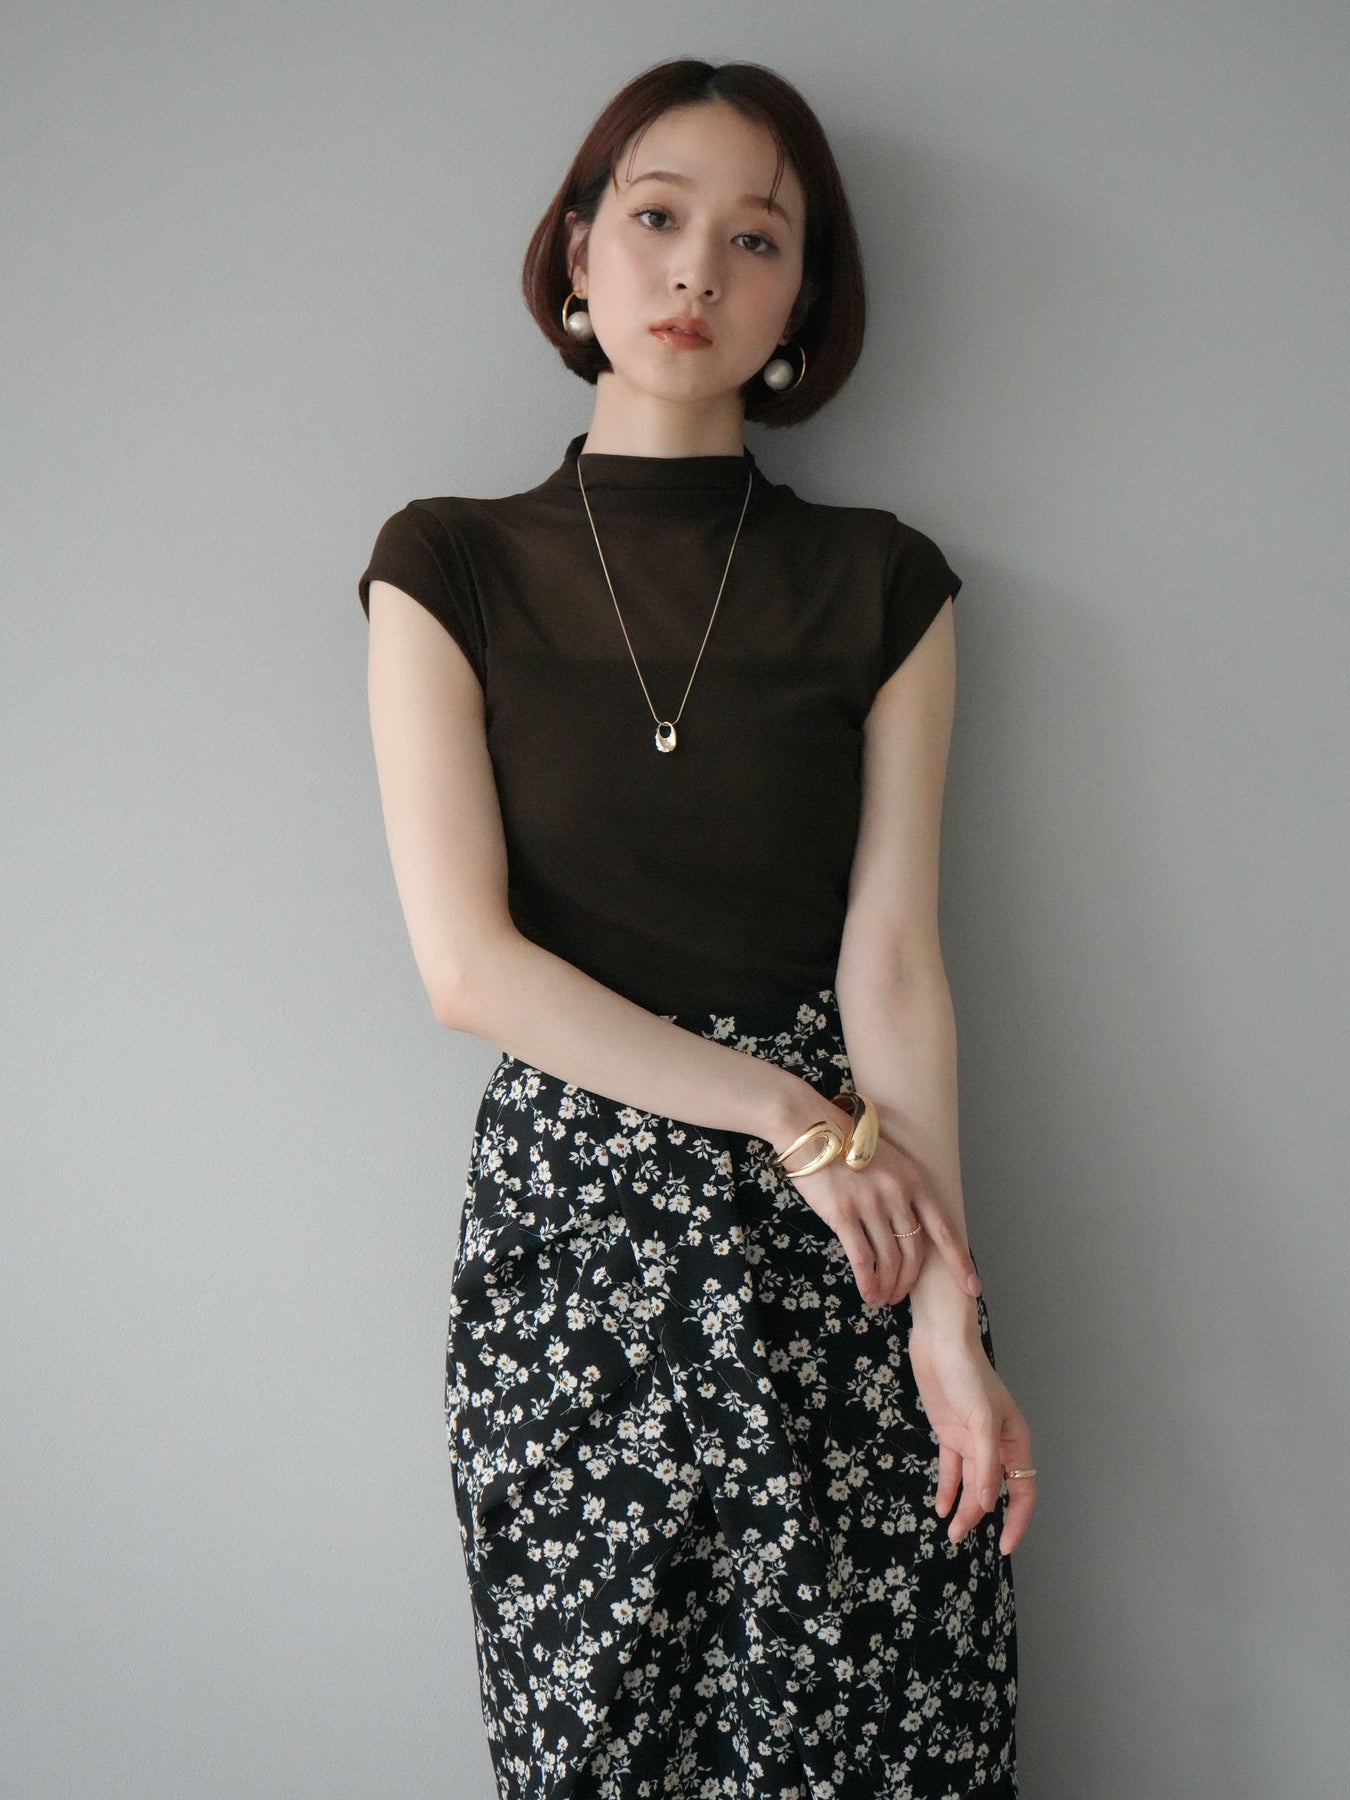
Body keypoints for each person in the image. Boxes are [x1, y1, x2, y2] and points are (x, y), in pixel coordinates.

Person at [357, 55, 1034, 1800]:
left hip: (846, 1239)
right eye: (656, 217)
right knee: (595, 1743)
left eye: (756, 239)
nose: (694, 271)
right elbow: (467, 969)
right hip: (579, 1232)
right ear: (575, 252)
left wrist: (947, 1321)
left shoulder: (883, 582)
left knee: (885, 1735)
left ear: (801, 302)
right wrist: (787, 1115)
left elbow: (893, 964)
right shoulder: (446, 565)